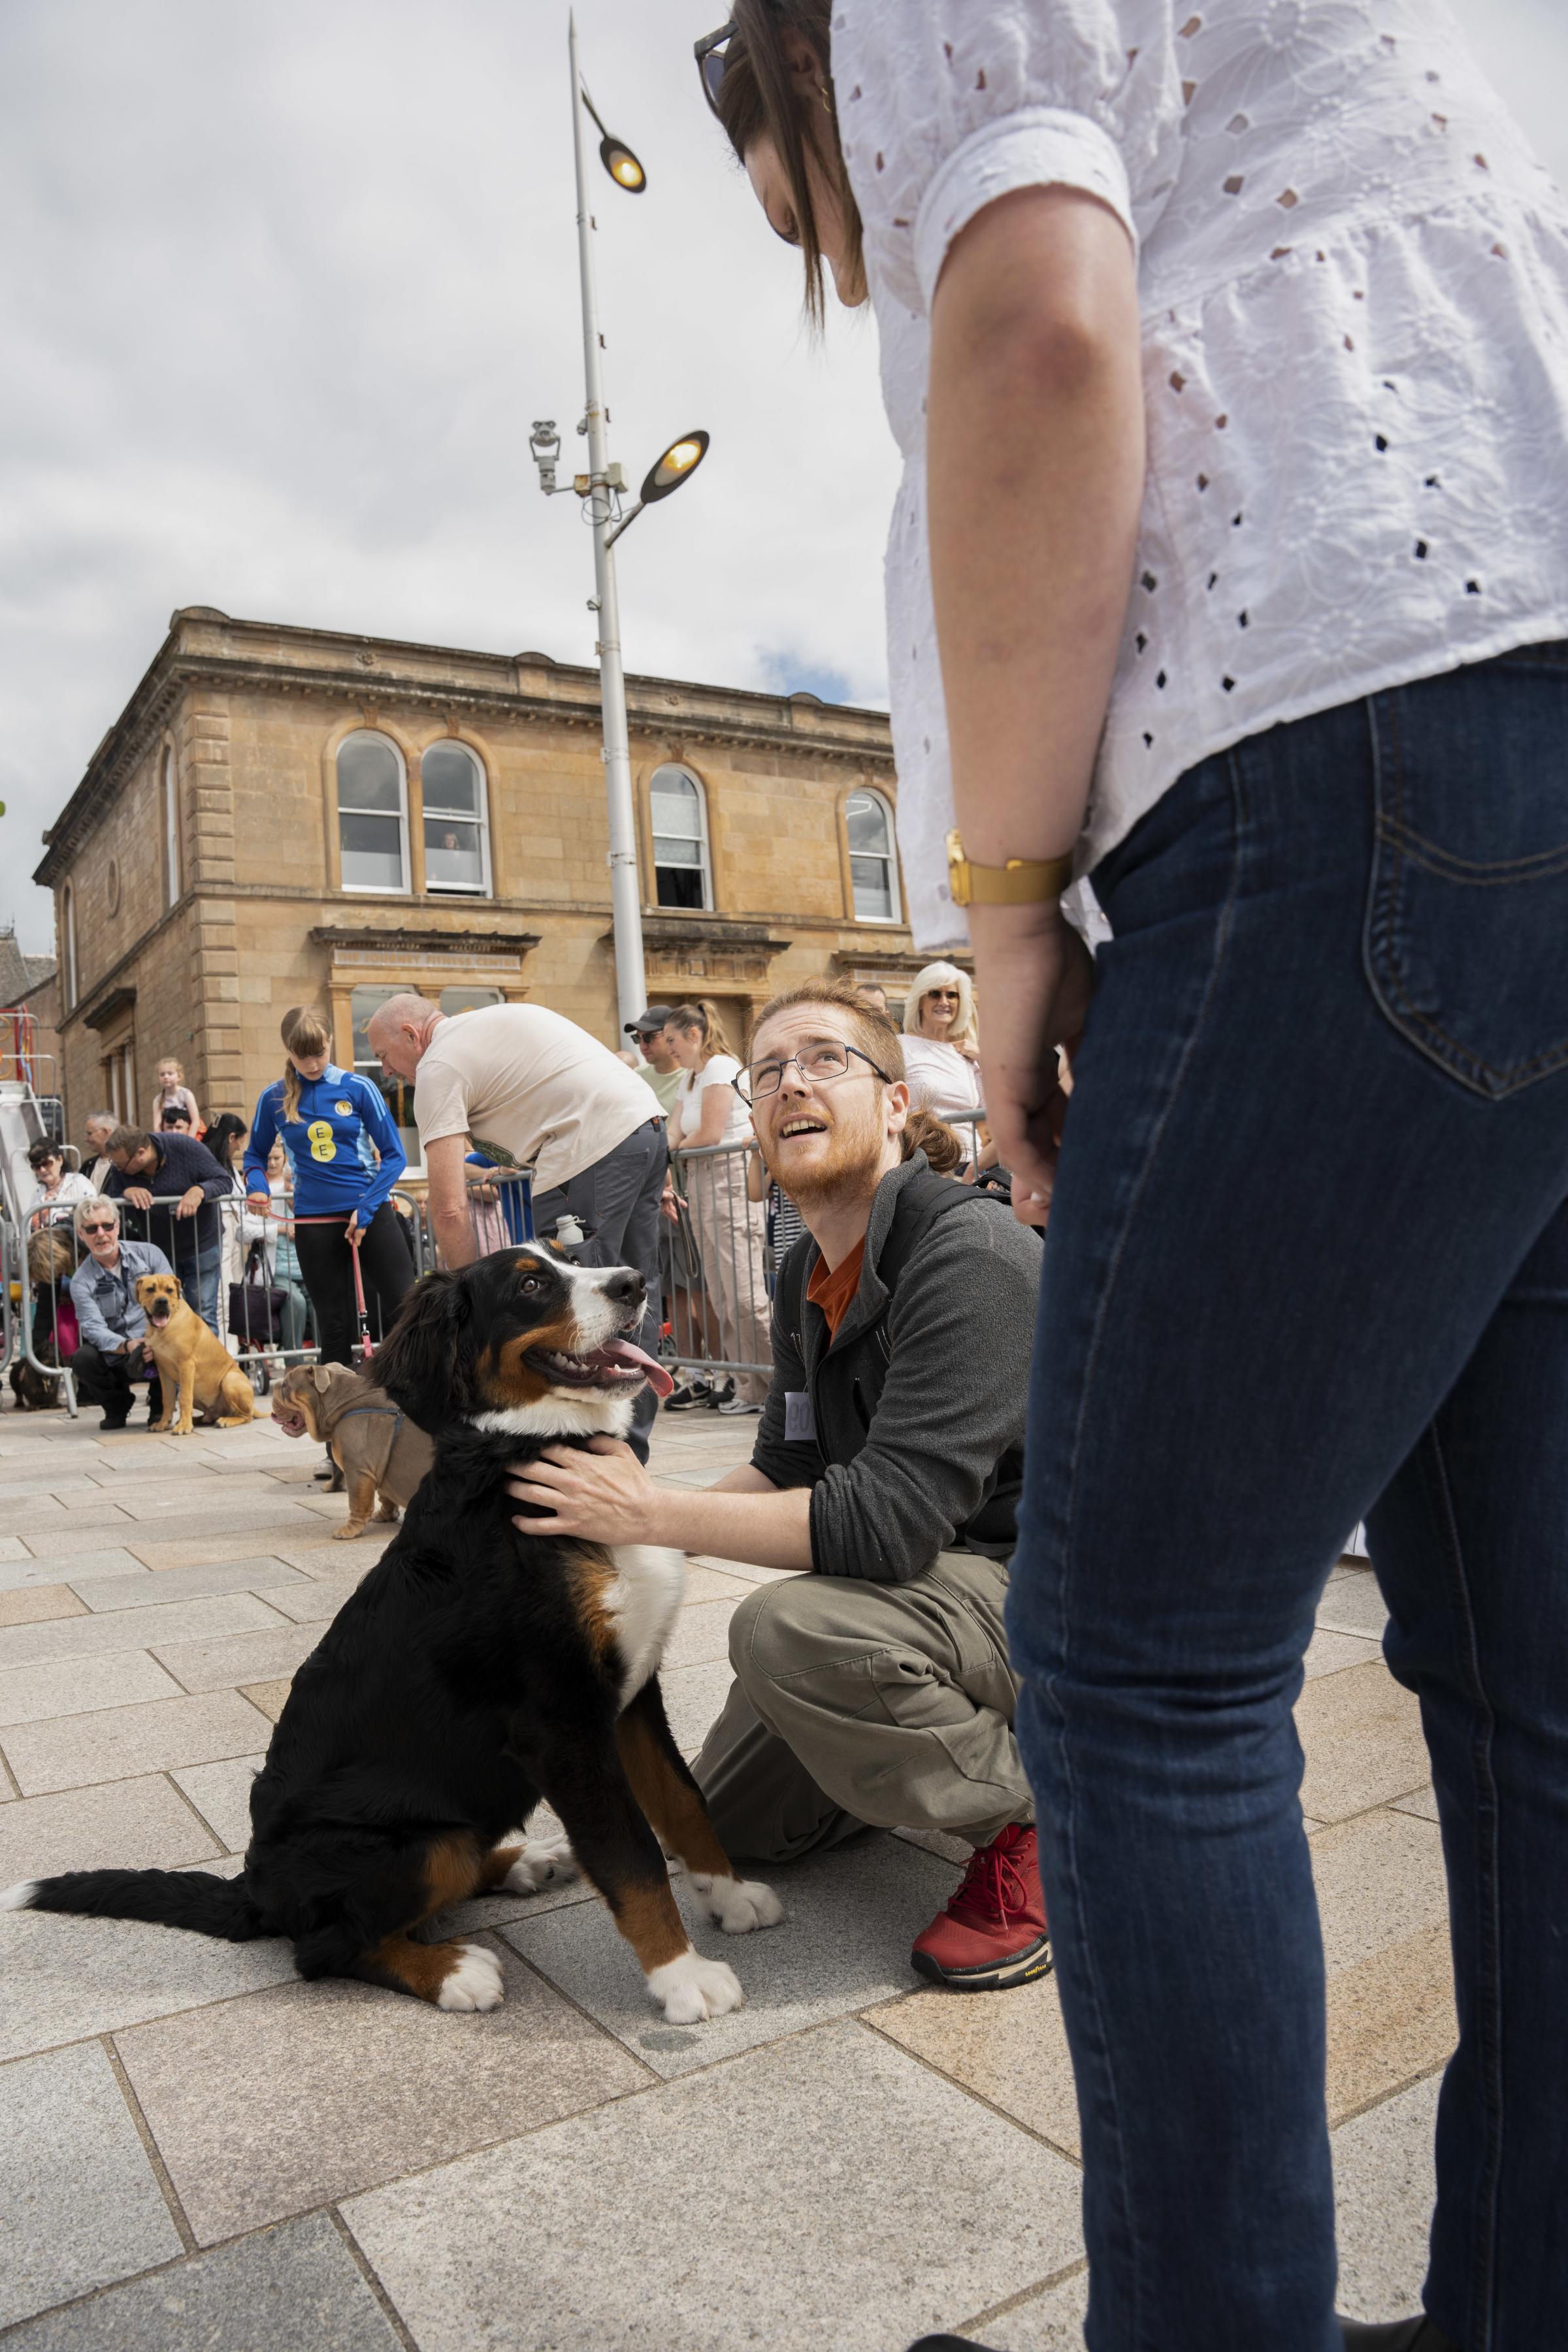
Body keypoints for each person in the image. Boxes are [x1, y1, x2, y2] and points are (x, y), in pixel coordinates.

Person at [704, 7, 1568, 2349]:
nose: (841, 244)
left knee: (1149, 1672)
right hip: (1525, 710)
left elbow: (1038, 324)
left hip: (1326, 755)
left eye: (814, 206)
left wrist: (1002, 906)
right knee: (1523, 1690)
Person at [506, 979, 1051, 1992]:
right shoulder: (813, 1276)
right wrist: (622, 1535)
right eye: (768, 1071)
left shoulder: (969, 1255)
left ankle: (1041, 1822)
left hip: (1061, 1601)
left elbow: (883, 1524)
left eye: (826, 1059)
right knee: (728, 1826)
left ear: (895, 1103)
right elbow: (792, 1464)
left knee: (788, 1631)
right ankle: (918, 1739)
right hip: (945, 1586)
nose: (790, 1081)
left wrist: (650, 1509)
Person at [365, 991, 668, 1457]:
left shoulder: (438, 1067)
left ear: (411, 1034)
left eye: (384, 1055)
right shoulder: (494, 1021)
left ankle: (591, 1466)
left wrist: (474, 1303)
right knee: (628, 1293)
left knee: (570, 1310)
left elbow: (448, 1207)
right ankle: (629, 1456)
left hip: (585, 1149)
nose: (385, 1070)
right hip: (643, 1127)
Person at [242, 1008, 414, 1371]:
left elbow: (396, 1157)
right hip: (314, 1224)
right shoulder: (273, 1098)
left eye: (319, 1052)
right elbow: (255, 1154)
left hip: (369, 1213)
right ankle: (337, 1417)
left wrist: (366, 1209)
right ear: (288, 1050)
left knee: (407, 1310)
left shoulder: (358, 1087)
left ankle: (428, 1397)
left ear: (330, 1043)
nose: (313, 1062)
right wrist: (257, 1187)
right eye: (302, 1055)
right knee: (334, 1325)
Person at [664, 1000, 772, 1416]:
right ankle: (751, 1386)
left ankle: (780, 1380)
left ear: (695, 1035)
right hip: (704, 1185)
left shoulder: (719, 1067)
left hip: (731, 1182)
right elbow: (674, 1132)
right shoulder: (690, 1079)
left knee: (745, 1293)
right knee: (724, 1294)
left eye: (673, 1040)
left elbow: (708, 1133)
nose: (669, 1049)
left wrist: (670, 1151)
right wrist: (669, 1149)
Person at [101, 1122, 230, 1335]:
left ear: (141, 1154)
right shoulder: (121, 1170)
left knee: (203, 1313)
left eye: (122, 1165)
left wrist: (200, 1190)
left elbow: (223, 1180)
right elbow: (111, 1203)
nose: (119, 1169)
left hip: (202, 1246)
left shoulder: (185, 1147)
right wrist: (126, 1192)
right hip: (158, 1252)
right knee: (161, 1314)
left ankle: (207, 1367)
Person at [66, 1197, 169, 1431]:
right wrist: (128, 1345)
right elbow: (93, 1329)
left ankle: (161, 1405)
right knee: (83, 1359)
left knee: (173, 1342)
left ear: (118, 1226)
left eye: (107, 1226)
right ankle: (117, 1406)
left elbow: (174, 1303)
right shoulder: (81, 1281)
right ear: (81, 1235)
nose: (101, 1234)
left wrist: (155, 1339)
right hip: (118, 1349)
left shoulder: (150, 1255)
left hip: (156, 1339)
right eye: (92, 1229)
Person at [898, 962, 983, 1120]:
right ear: (920, 1001)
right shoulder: (900, 1046)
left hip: (971, 1144)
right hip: (925, 1144)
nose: (944, 1002)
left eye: (951, 995)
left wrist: (982, 1059)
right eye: (935, 994)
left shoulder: (965, 1054)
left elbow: (991, 1107)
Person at [623, 1004, 685, 1118]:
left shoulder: (693, 1076)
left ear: (671, 1035)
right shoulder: (637, 1077)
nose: (642, 1046)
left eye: (648, 1038)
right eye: (637, 1038)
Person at [25, 1138, 95, 1232]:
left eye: (47, 1164)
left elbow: (93, 1213)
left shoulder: (79, 1183)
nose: (42, 1170)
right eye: (37, 1167)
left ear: (60, 1160)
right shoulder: (37, 1194)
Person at [150, 1058, 202, 1135]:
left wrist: (188, 1141)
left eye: (170, 1073)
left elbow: (195, 1121)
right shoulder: (158, 1100)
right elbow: (157, 1126)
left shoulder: (186, 1095)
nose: (166, 1077)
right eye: (162, 1074)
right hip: (169, 1136)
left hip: (189, 1135)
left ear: (179, 1077)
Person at [80, 1113, 116, 1192]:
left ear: (105, 1132)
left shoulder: (124, 1165)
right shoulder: (88, 1166)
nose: (86, 1139)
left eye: (89, 1133)